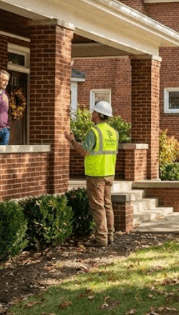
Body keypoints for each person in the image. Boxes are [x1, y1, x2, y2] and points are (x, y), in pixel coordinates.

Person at [64, 101, 118, 248]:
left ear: (99, 115)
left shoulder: (94, 131)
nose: (91, 114)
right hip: (109, 172)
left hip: (96, 173)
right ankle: (110, 236)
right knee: (107, 205)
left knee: (98, 206)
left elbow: (84, 152)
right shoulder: (114, 132)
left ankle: (101, 238)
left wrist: (72, 140)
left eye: (94, 112)